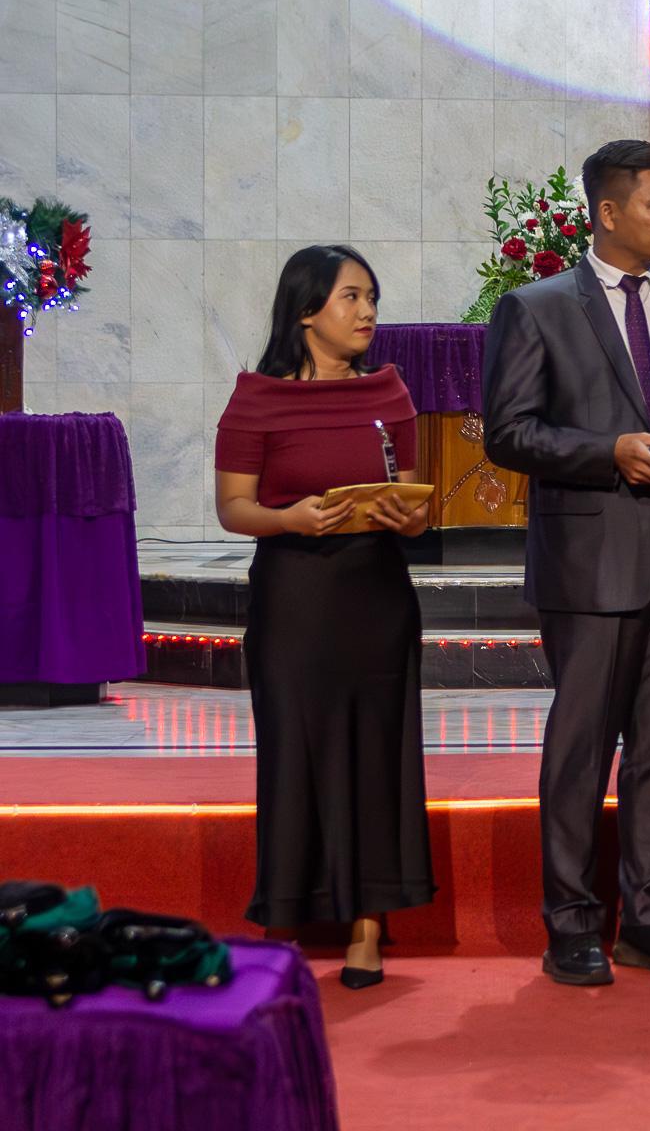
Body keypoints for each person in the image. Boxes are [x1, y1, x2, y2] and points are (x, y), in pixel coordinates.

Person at [481, 139, 650, 987]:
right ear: (608, 211)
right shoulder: (537, 308)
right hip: (590, 562)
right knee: (582, 748)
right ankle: (572, 924)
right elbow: (509, 433)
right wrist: (610, 452)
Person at [213, 244, 434, 990]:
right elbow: (233, 508)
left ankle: (368, 928)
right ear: (307, 310)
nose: (368, 312)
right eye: (351, 297)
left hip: (377, 596)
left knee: (378, 756)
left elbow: (413, 501)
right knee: (293, 752)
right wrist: (290, 518)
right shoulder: (257, 399)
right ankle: (285, 914)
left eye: (372, 298)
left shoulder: (390, 394)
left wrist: (409, 517)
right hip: (294, 600)